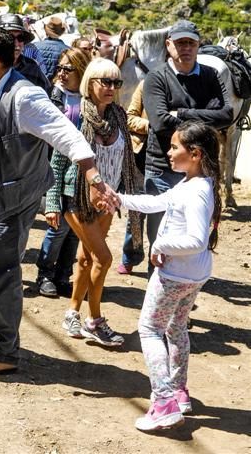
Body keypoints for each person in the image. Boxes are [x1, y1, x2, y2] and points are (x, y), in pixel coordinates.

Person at [0, 28, 120, 377]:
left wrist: (94, 178)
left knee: (5, 270)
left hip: (12, 196)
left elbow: (66, 134)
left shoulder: (25, 97)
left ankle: (5, 351)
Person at [117, 121, 221, 431]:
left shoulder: (197, 192)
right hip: (192, 275)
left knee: (149, 330)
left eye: (175, 147)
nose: (168, 152)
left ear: (195, 153)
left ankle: (163, 402)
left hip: (175, 275)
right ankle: (179, 392)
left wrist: (160, 244)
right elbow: (158, 202)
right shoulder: (193, 182)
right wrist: (118, 198)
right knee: (176, 328)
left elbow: (196, 239)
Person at [46, 58, 141, 346]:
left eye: (116, 82)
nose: (111, 87)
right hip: (77, 198)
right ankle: (94, 321)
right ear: (90, 83)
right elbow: (58, 158)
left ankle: (73, 313)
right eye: (105, 81)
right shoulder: (76, 115)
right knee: (104, 258)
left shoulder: (119, 117)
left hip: (108, 200)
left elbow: (125, 158)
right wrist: (52, 201)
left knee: (87, 259)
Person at [143, 20, 233, 276]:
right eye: (180, 43)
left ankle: (181, 287)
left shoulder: (210, 75)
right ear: (169, 44)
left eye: (191, 43)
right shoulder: (157, 77)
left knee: (192, 233)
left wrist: (181, 112)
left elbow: (226, 114)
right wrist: (206, 116)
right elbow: (160, 122)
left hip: (200, 170)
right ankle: (157, 288)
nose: (186, 48)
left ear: (198, 45)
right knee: (160, 236)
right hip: (163, 165)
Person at [36, 47, 91, 297]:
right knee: (56, 223)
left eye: (67, 69)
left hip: (78, 170)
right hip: (52, 165)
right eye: (59, 68)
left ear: (80, 71)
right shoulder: (50, 95)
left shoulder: (88, 99)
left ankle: (62, 276)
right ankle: (44, 274)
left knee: (74, 229)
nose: (60, 73)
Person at [118, 80, 148, 274]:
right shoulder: (146, 85)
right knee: (136, 210)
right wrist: (152, 124)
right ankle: (130, 255)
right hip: (143, 154)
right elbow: (130, 118)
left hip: (177, 156)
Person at [36, 16, 67, 80]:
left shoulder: (34, 46)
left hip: (36, 85)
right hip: (56, 86)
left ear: (46, 31)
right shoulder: (68, 50)